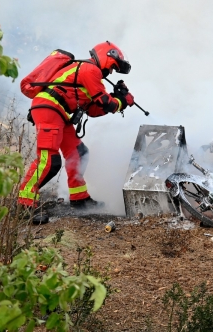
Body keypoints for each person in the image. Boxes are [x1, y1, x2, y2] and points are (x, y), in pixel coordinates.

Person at [18, 42, 134, 224]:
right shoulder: (90, 69)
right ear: (106, 56)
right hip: (50, 108)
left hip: (58, 111)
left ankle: (79, 198)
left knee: (79, 153)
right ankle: (24, 204)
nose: (111, 72)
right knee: (49, 160)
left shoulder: (90, 75)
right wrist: (121, 99)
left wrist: (118, 99)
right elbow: (106, 102)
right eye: (112, 67)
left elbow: (94, 110)